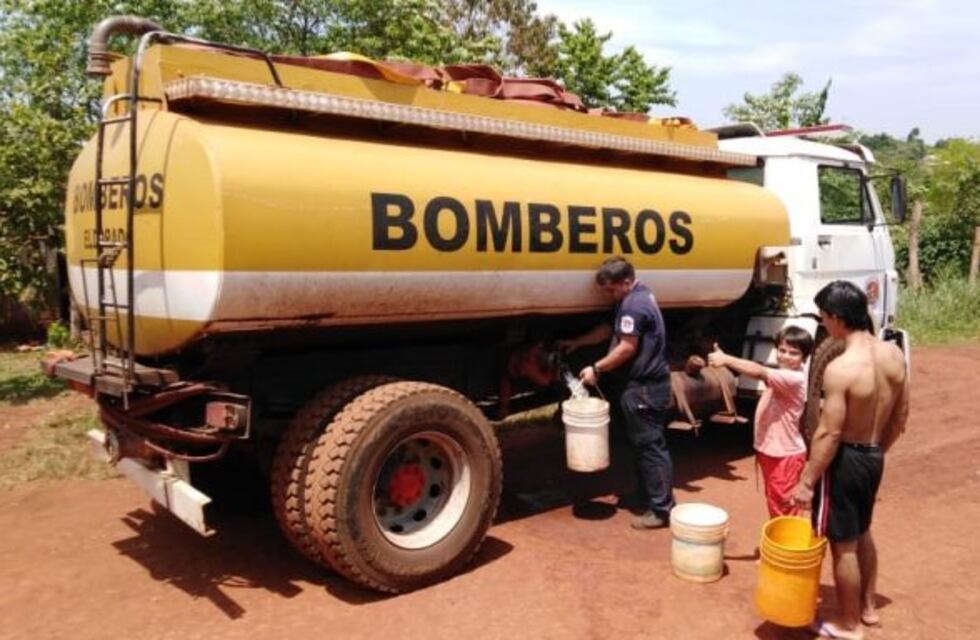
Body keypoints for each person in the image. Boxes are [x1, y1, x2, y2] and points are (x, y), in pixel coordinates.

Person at [792, 281, 909, 640]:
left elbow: (829, 433)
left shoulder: (840, 368)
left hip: (844, 460)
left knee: (842, 545)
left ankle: (848, 625)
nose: (823, 324)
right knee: (863, 530)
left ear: (838, 318)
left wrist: (807, 481)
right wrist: (875, 452)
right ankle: (869, 609)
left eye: (824, 317)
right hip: (873, 454)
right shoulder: (894, 355)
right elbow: (900, 417)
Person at [559, 256, 676, 529]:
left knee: (650, 447)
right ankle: (647, 496)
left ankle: (661, 509)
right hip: (645, 386)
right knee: (642, 445)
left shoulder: (633, 305)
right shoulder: (638, 295)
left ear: (625, 281)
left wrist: (596, 369)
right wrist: (577, 342)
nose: (609, 295)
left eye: (611, 290)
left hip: (645, 388)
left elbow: (626, 347)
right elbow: (607, 330)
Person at [708, 326, 814, 518]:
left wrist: (726, 359)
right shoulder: (783, 375)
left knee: (785, 506)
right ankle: (781, 542)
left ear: (804, 359)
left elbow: (759, 372)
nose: (786, 356)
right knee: (776, 501)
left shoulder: (793, 378)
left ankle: (787, 545)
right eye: (782, 350)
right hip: (773, 451)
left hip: (784, 455)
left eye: (794, 353)